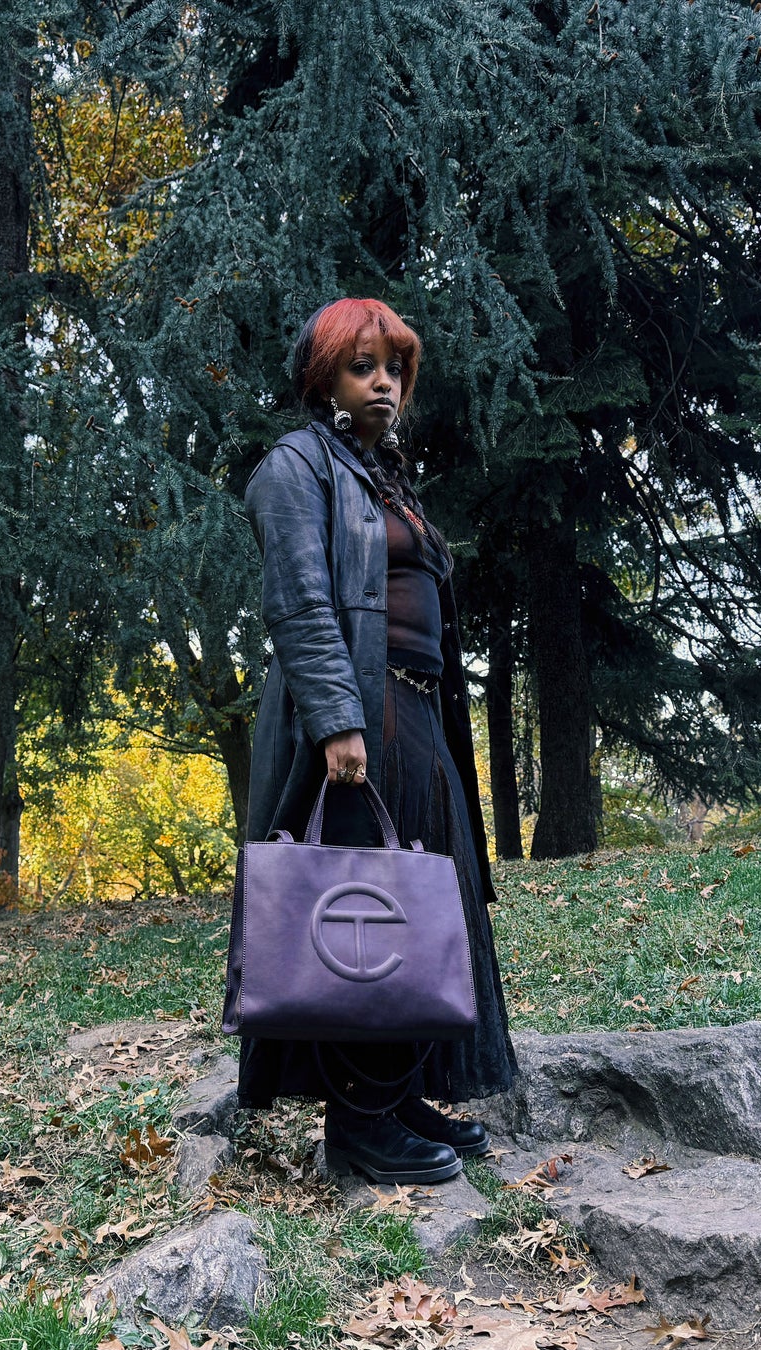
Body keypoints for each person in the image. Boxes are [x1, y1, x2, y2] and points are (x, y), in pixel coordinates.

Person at [236, 297, 517, 1184]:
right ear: (326, 379)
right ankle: (358, 1122)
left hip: (416, 711)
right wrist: (338, 722)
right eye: (364, 367)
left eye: (394, 367)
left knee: (421, 906)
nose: (384, 382)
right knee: (367, 908)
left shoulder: (380, 475)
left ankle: (393, 1093)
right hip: (361, 714)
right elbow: (300, 603)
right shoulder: (295, 467)